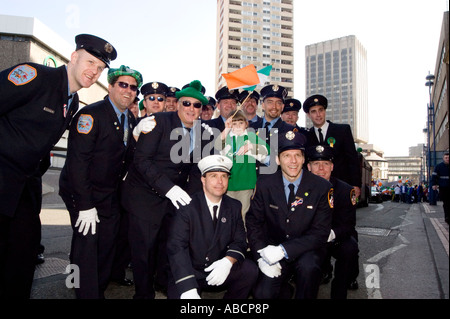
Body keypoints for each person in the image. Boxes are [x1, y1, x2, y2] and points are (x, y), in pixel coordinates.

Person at [0, 33, 116, 299]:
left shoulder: (72, 101)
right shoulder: (34, 76)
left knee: (23, 256)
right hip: (2, 175)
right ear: (74, 57)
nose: (93, 72)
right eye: (89, 63)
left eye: (99, 68)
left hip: (25, 187)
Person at [120, 80, 213, 299]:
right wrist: (168, 188)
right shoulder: (158, 122)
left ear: (202, 109)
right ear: (178, 104)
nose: (191, 108)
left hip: (174, 200)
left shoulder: (203, 133)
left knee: (167, 246)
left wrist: (192, 200)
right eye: (186, 103)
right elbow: (142, 161)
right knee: (144, 251)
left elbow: (196, 170)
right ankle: (143, 294)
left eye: (197, 105)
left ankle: (163, 284)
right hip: (144, 196)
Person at [58, 65, 142, 298]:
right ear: (111, 86)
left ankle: (98, 288)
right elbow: (78, 163)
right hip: (82, 189)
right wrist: (85, 204)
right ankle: (85, 293)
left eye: (133, 88)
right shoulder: (91, 115)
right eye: (123, 85)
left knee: (106, 243)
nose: (128, 91)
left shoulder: (131, 119)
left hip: (109, 192)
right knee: (86, 244)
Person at [245, 129, 333, 299]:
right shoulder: (264, 184)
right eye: (287, 156)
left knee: (309, 269)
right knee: (262, 293)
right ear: (278, 159)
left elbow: (320, 233)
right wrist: (260, 255)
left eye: (298, 155)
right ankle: (285, 291)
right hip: (272, 249)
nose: (293, 161)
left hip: (307, 251)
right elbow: (253, 222)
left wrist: (284, 250)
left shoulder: (322, 187)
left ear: (303, 158)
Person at [166, 155, 258, 299]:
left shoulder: (234, 206)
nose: (220, 182)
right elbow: (176, 246)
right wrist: (188, 287)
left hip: (219, 268)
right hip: (190, 271)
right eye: (213, 176)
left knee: (249, 270)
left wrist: (228, 261)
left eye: (224, 176)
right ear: (203, 179)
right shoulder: (187, 206)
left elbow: (240, 240)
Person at [306, 145, 359, 299]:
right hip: (311, 238)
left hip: (334, 237)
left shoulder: (345, 191)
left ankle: (339, 290)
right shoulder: (300, 188)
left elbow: (349, 224)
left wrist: (331, 233)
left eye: (326, 164)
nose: (321, 169)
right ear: (309, 167)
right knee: (309, 266)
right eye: (316, 164)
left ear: (332, 166)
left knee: (350, 248)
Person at [214, 110, 268, 224]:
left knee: (243, 214)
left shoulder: (251, 136)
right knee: (227, 214)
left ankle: (243, 240)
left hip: (246, 183)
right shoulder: (228, 137)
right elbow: (217, 145)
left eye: (241, 123)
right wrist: (226, 129)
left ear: (246, 124)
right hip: (229, 184)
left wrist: (251, 146)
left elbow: (266, 149)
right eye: (234, 123)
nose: (238, 126)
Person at [303, 94, 361, 199]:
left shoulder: (342, 130)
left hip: (341, 187)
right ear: (308, 115)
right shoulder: (305, 136)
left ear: (325, 111)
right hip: (315, 189)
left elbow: (352, 160)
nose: (318, 114)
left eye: (321, 110)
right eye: (313, 111)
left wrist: (356, 184)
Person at [249, 84, 296, 175]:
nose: (274, 107)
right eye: (270, 102)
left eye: (278, 103)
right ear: (263, 105)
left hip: (276, 184)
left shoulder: (289, 131)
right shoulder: (250, 128)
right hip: (251, 183)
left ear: (282, 107)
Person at [431, 151, 449, 224]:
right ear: (443, 158)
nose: (448, 159)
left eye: (448, 158)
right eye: (446, 158)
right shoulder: (439, 166)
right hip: (443, 188)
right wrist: (434, 184)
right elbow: (434, 177)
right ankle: (447, 217)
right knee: (446, 203)